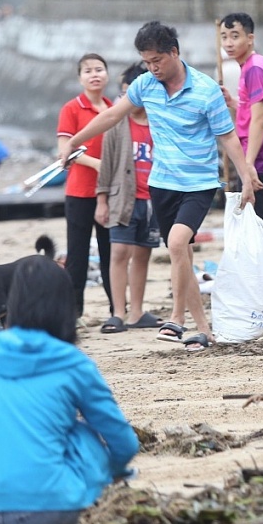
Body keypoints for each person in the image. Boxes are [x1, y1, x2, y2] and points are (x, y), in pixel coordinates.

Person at [60, 21, 258, 350]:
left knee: (179, 244)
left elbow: (228, 138)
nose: (152, 68)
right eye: (147, 62)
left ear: (174, 52)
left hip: (198, 183)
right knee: (181, 253)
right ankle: (204, 329)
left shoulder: (206, 90)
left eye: (157, 61)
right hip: (161, 184)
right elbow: (111, 116)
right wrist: (74, 142)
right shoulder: (145, 85)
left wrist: (246, 178)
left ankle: (178, 319)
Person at [0, 255, 138, 524]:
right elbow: (124, 442)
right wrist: (115, 471)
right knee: (81, 431)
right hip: (50, 505)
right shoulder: (74, 365)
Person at [95, 62, 163, 334]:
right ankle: (118, 312)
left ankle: (137, 311)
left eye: (130, 92)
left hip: (153, 200)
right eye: (123, 93)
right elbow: (107, 164)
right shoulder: (117, 123)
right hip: (124, 198)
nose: (126, 99)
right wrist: (102, 200)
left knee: (143, 254)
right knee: (119, 252)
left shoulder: (160, 121)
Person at [57, 53, 114, 322]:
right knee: (77, 257)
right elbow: (65, 151)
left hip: (111, 192)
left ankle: (118, 310)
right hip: (79, 193)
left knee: (111, 253)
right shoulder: (71, 108)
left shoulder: (113, 107)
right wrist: (97, 164)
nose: (94, 74)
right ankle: (74, 313)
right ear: (80, 77)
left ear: (107, 74)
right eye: (88, 70)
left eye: (99, 69)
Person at [220, 12, 263, 242]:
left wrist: (247, 164)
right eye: (224, 37)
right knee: (260, 224)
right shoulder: (258, 64)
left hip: (260, 159)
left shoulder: (254, 69)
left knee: (262, 228)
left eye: (235, 36)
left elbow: (260, 119)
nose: (228, 43)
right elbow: (253, 111)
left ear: (250, 38)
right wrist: (233, 103)